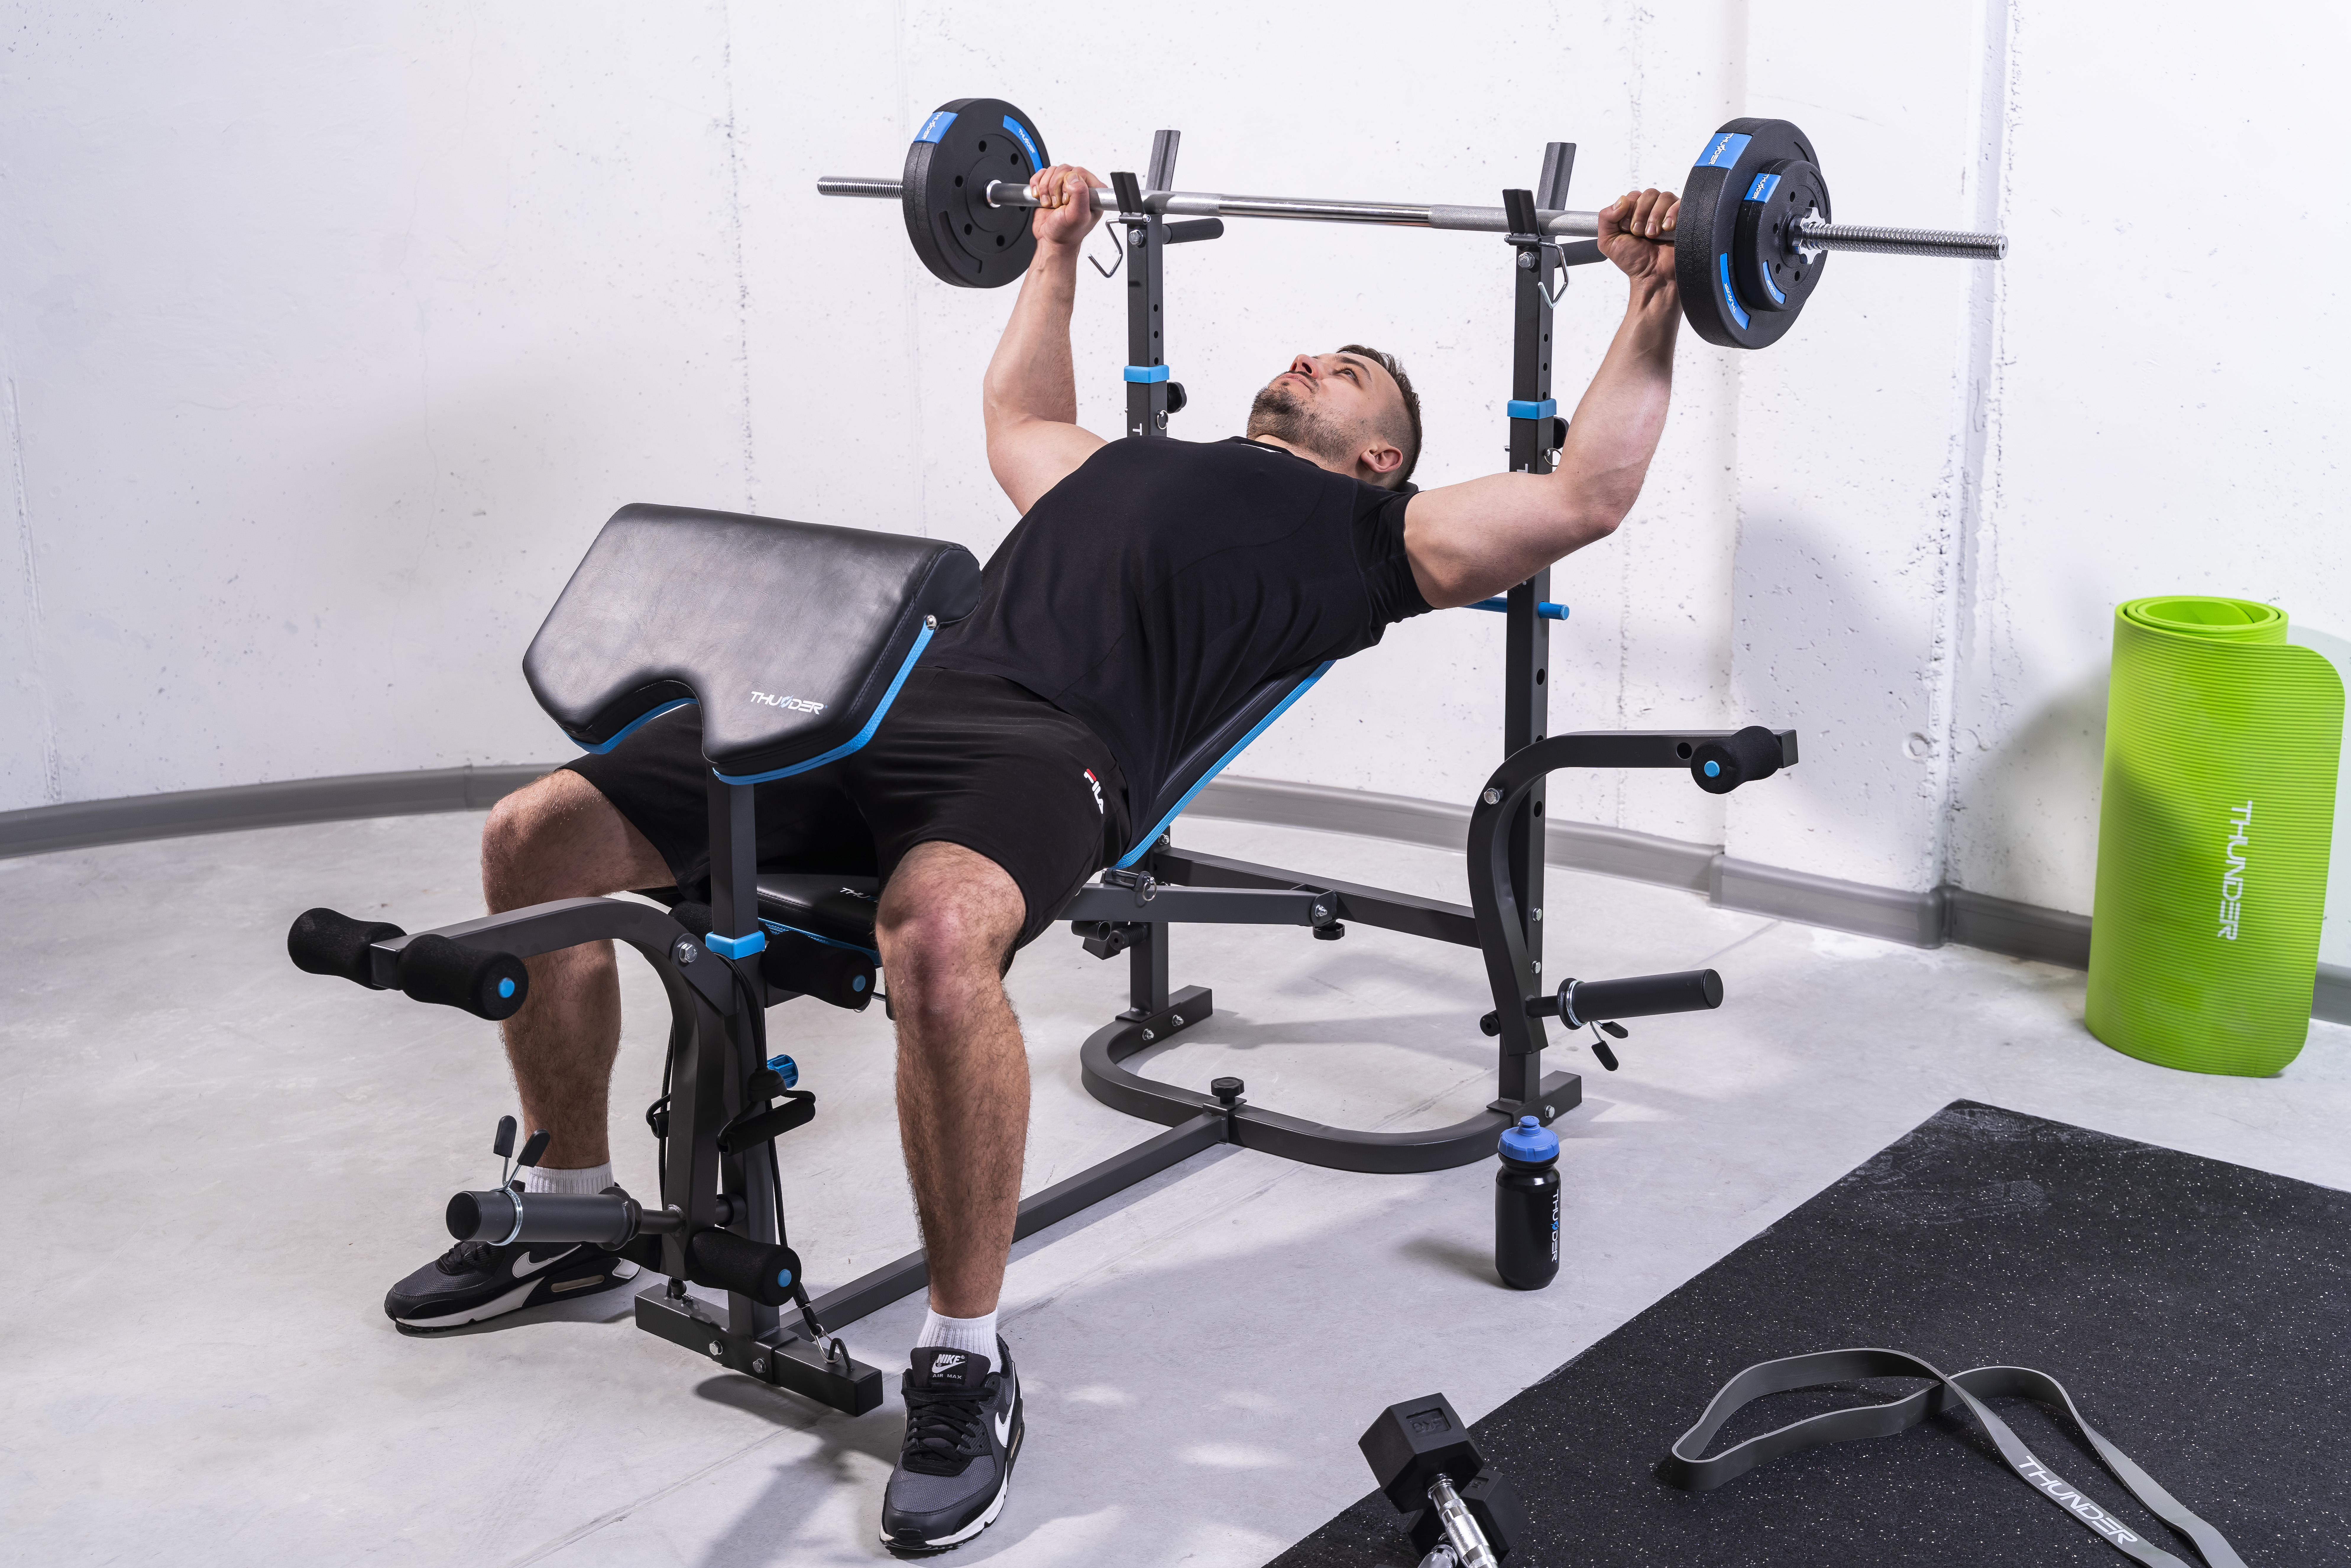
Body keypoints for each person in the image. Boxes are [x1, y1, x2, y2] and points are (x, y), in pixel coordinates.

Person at [381, 158, 1684, 1553]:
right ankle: (575, 1205)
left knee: (936, 941)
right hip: (870, 695)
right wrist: (1054, 244)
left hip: (1048, 752)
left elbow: (1587, 495)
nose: (1311, 356)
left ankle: (962, 1359)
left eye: (1351, 367)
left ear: (1382, 452)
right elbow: (1016, 413)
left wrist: (1657, 294)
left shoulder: (1380, 533)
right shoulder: (1121, 464)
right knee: (535, 832)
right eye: (1314, 348)